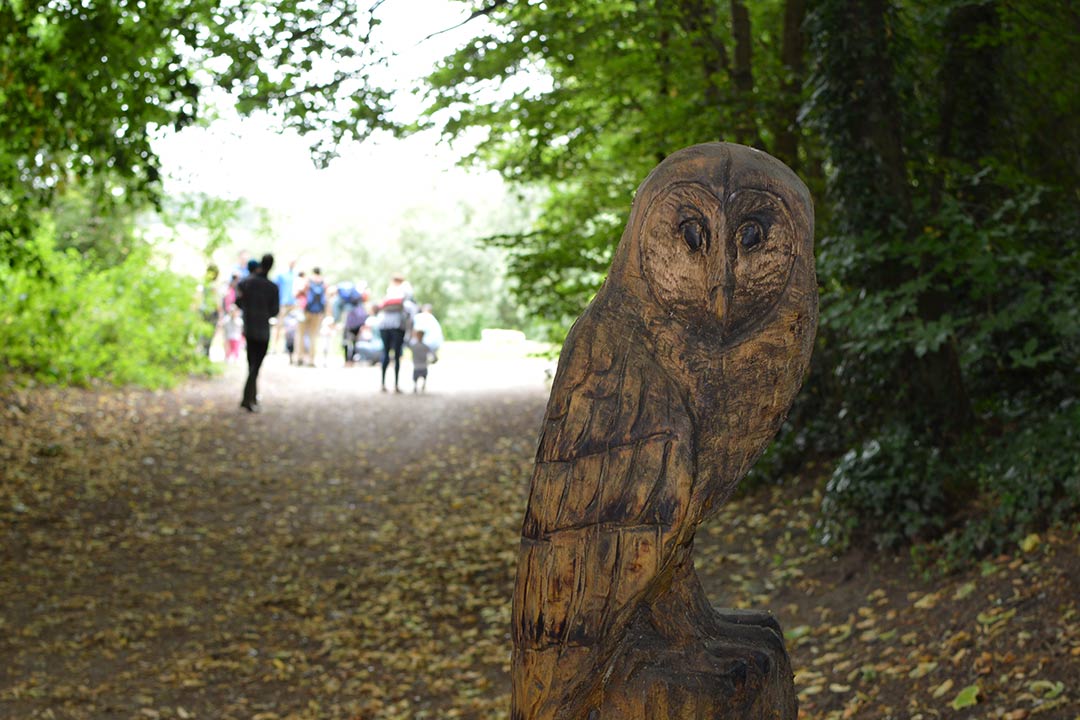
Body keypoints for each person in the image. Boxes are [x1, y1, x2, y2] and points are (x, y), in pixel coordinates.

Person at [235, 254, 279, 412]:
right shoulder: (272, 287)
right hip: (262, 331)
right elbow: (275, 311)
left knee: (251, 364)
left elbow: (238, 300)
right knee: (255, 365)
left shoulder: (247, 283)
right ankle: (248, 398)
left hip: (249, 328)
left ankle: (250, 397)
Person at [377, 273, 413, 393]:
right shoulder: (405, 290)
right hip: (398, 325)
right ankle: (396, 385)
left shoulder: (389, 292)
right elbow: (409, 310)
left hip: (384, 325)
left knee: (385, 353)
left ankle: (382, 383)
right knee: (397, 355)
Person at [298, 267, 326, 366]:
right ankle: (311, 360)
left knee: (301, 334)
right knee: (313, 336)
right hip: (318, 312)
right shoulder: (323, 282)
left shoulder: (308, 280)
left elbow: (300, 292)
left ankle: (300, 357)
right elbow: (325, 299)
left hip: (306, 310)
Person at [273, 259, 299, 352]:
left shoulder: (296, 275)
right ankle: (275, 347)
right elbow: (275, 287)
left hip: (293, 304)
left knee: (292, 327)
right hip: (282, 303)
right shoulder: (281, 275)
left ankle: (288, 347)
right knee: (278, 325)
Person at [409, 329, 437, 393]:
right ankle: (422, 385)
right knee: (424, 376)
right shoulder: (425, 346)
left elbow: (407, 343)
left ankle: (416, 387)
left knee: (416, 377)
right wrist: (433, 361)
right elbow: (434, 355)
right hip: (423, 365)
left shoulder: (414, 346)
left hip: (417, 366)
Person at [343, 296, 369, 366]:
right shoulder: (361, 307)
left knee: (347, 344)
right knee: (354, 344)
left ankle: (347, 360)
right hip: (356, 328)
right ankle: (351, 360)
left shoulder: (349, 307)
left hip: (349, 328)